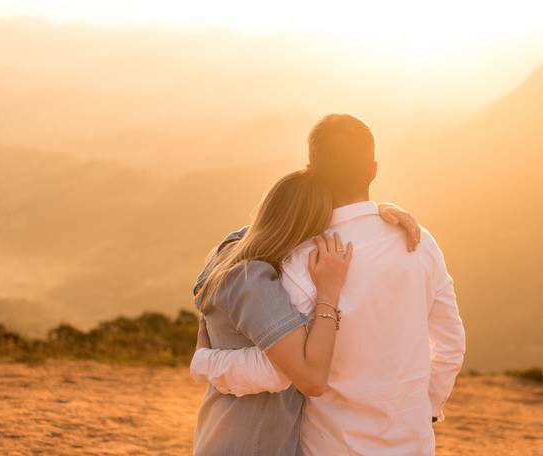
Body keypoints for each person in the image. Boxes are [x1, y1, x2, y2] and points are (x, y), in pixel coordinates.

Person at [192, 114, 465, 455]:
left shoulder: (304, 260)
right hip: (413, 444)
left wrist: (205, 362)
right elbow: (451, 345)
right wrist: (426, 412)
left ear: (310, 171)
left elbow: (281, 370)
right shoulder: (421, 243)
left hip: (329, 445)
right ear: (374, 170)